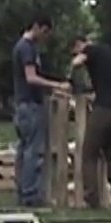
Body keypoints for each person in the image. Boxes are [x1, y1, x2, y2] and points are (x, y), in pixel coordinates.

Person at [11, 16, 72, 207]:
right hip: (30, 105)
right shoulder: (26, 48)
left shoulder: (23, 47)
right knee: (33, 151)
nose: (45, 37)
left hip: (23, 105)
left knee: (24, 149)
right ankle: (30, 195)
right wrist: (57, 86)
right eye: (45, 32)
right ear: (36, 27)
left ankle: (23, 191)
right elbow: (31, 78)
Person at [70, 35, 111, 208]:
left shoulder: (90, 50)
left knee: (88, 153)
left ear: (79, 45)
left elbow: (77, 63)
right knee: (107, 154)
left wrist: (70, 77)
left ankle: (92, 198)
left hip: (104, 111)